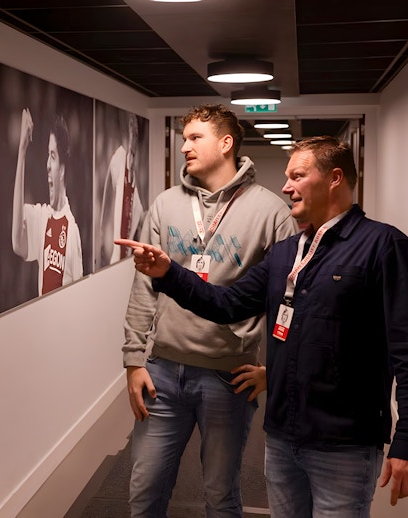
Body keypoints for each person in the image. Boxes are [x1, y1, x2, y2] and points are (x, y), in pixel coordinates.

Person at [117, 135, 408, 516]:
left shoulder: (383, 246)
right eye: (287, 177)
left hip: (344, 444)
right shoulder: (288, 252)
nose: (286, 186)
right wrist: (169, 273)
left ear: (335, 178)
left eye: (297, 176)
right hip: (283, 437)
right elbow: (227, 304)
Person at [122, 104, 299, 517]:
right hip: (162, 370)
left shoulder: (271, 212)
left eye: (194, 138)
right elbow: (144, 286)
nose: (184, 146)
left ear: (226, 143)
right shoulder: (165, 205)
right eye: (184, 138)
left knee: (220, 495)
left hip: (229, 376)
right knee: (144, 490)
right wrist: (133, 360)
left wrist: (272, 369)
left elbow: (288, 301)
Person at [11, 108, 83, 295]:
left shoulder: (72, 231)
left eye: (53, 156)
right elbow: (17, 241)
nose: (47, 166)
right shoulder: (42, 217)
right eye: (47, 156)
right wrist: (22, 151)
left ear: (63, 170)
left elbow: (80, 295)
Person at [99, 112, 145, 266]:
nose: (133, 151)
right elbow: (106, 203)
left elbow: (138, 216)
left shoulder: (134, 187)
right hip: (114, 257)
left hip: (124, 258)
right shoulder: (118, 160)